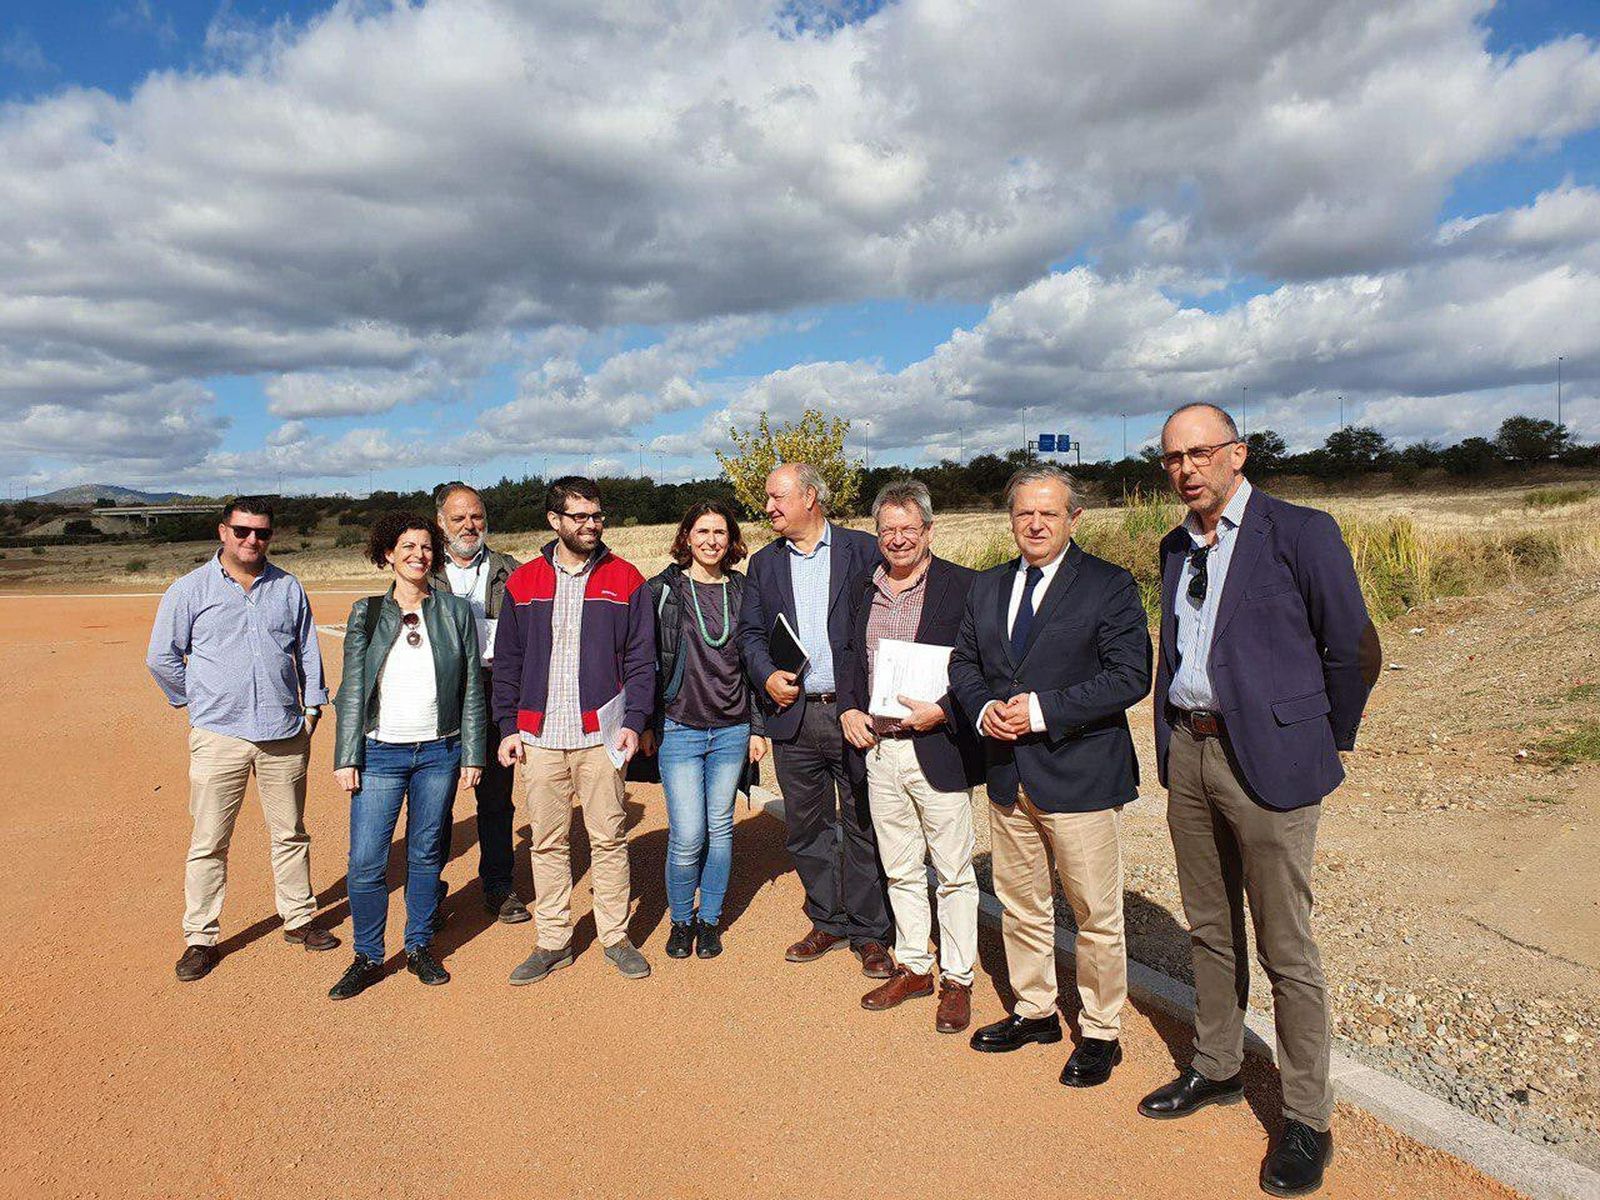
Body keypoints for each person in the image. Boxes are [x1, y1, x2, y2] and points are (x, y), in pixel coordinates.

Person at [1140, 403, 1380, 1198]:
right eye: (1173, 458)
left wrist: (1319, 738)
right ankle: (1217, 1068)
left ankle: (1308, 1117)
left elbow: (1351, 647)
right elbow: (1175, 649)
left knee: (1287, 948)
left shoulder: (1301, 532)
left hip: (1273, 762)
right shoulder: (1177, 546)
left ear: (1238, 454)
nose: (1186, 468)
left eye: (1200, 452)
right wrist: (1173, 746)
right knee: (1210, 930)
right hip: (1193, 750)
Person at [949, 465, 1151, 1087]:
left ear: (1074, 519)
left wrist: (1040, 711)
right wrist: (983, 709)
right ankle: (1035, 1009)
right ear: (1010, 519)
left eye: (1048, 514)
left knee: (1095, 912)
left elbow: (1129, 676)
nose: (1034, 524)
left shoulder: (1108, 586)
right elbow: (964, 663)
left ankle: (1100, 1029)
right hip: (1009, 775)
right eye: (1023, 514)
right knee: (1021, 904)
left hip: (1080, 776)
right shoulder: (986, 588)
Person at [147, 495, 340, 982]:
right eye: (242, 531)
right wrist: (194, 704)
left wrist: (312, 706)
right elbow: (162, 657)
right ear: (223, 532)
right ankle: (200, 936)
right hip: (220, 736)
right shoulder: (189, 590)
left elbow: (306, 648)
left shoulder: (287, 587)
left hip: (283, 732)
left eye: (262, 532)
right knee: (209, 839)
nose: (252, 540)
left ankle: (299, 918)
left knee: (290, 832)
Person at [494, 477, 656, 984]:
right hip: (540, 737)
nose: (591, 525)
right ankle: (553, 940)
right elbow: (508, 663)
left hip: (599, 736)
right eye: (580, 517)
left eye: (597, 516)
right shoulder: (522, 583)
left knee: (608, 838)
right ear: (554, 521)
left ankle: (614, 935)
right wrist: (508, 726)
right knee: (548, 841)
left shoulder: (626, 578)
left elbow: (642, 660)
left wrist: (634, 721)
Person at [837, 480, 984, 1033]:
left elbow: (981, 666)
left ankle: (958, 978)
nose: (897, 539)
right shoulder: (861, 588)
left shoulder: (964, 587)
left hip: (936, 746)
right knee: (899, 868)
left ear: (928, 530)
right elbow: (850, 656)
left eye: (908, 528)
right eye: (887, 530)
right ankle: (915, 966)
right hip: (880, 750)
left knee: (952, 871)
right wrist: (849, 707)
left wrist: (944, 711)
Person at [735, 462, 893, 976]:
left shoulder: (863, 550)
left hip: (851, 713)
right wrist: (766, 676)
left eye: (777, 497)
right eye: (768, 498)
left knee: (863, 822)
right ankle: (828, 918)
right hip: (794, 717)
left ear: (809, 497)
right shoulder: (763, 564)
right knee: (807, 826)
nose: (769, 507)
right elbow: (750, 635)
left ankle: (871, 932)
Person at [328, 513, 485, 1000]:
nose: (418, 554)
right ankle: (368, 955)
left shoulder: (455, 612)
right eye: (407, 546)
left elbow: (472, 688)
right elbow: (352, 688)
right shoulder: (367, 612)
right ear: (388, 555)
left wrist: (472, 752)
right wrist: (346, 755)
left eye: (425, 547)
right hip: (379, 754)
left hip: (439, 752)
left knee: (424, 854)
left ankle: (417, 945)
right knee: (368, 859)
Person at [641, 500, 768, 960]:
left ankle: (709, 919)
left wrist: (758, 726)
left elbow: (758, 663)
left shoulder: (746, 591)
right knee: (688, 832)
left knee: (720, 828)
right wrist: (648, 722)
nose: (711, 540)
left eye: (720, 532)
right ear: (686, 537)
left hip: (733, 728)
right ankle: (680, 920)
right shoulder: (662, 591)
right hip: (680, 728)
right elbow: (645, 664)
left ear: (731, 540)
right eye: (702, 531)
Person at [431, 481, 527, 924]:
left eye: (477, 517)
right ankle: (427, 887)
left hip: (494, 694)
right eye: (459, 518)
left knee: (495, 799)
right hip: (439, 700)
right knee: (434, 800)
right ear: (441, 524)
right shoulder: (422, 569)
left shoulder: (513, 570)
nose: (470, 526)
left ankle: (498, 884)